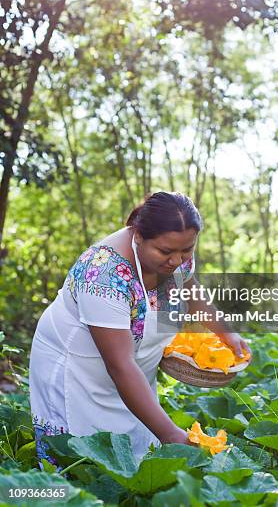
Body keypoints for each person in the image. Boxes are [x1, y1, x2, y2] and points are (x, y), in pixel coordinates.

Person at [29, 191, 252, 470]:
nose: (177, 261)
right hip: (77, 367)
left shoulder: (177, 254)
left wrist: (226, 333)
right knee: (79, 460)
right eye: (166, 252)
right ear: (138, 236)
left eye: (187, 250)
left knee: (131, 455)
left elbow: (191, 289)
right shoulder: (104, 273)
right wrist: (171, 434)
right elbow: (120, 365)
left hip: (130, 373)